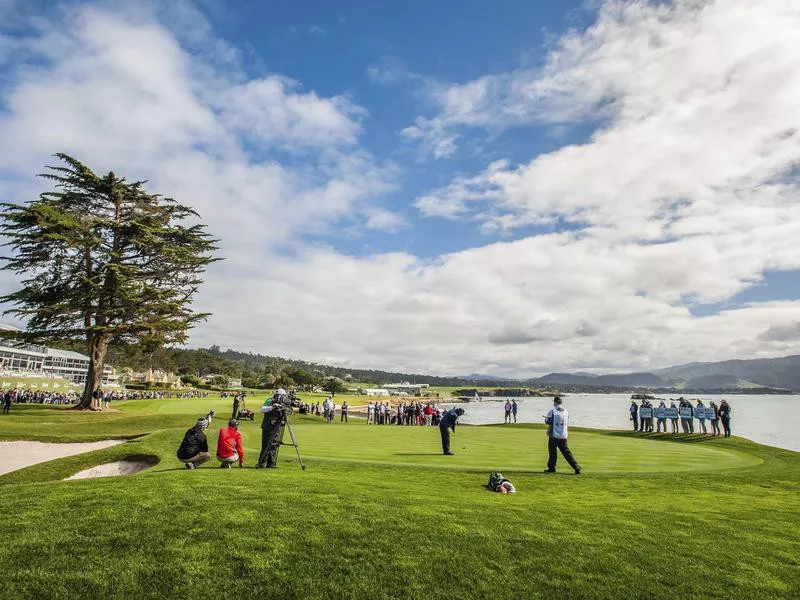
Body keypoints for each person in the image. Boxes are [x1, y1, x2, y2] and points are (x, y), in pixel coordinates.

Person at [543, 396, 581, 475]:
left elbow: (547, 421)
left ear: (555, 402)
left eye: (554, 402)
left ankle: (551, 468)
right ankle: (576, 467)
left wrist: (546, 419)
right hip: (563, 435)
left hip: (554, 435)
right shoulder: (566, 412)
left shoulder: (552, 411)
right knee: (567, 453)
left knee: (552, 453)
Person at [257, 390, 285, 468]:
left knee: (274, 445)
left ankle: (271, 463)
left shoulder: (284, 402)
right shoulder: (270, 400)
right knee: (266, 444)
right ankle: (262, 462)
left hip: (277, 425)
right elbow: (262, 409)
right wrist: (272, 407)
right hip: (268, 425)